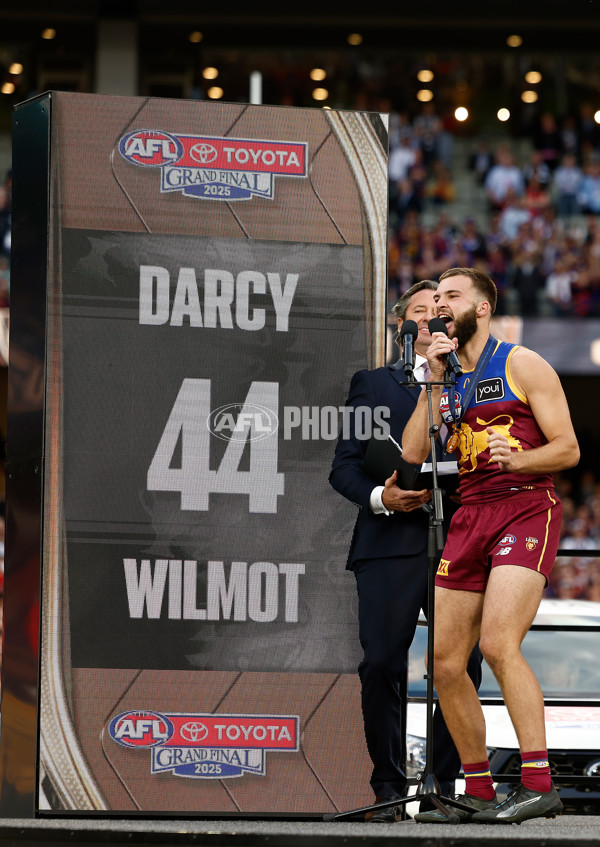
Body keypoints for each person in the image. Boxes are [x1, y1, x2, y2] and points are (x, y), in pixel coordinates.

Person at [401, 267, 580, 824]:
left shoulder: (522, 362)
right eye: (436, 297)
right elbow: (411, 454)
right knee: (448, 663)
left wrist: (520, 458)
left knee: (500, 644)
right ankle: (476, 789)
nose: (440, 303)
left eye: (452, 295)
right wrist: (430, 376)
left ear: (480, 309)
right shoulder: (446, 377)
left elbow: (569, 449)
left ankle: (538, 783)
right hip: (470, 513)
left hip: (526, 503)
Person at [329, 280, 482, 822]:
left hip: (460, 541)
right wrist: (382, 497)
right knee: (381, 664)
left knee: (461, 665)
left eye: (440, 311)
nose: (432, 319)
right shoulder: (372, 383)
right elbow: (343, 467)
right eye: (420, 311)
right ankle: (388, 789)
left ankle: (445, 785)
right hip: (388, 543)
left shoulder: (477, 380)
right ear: (403, 326)